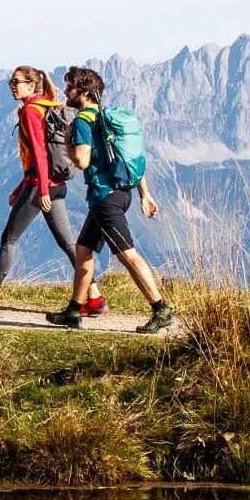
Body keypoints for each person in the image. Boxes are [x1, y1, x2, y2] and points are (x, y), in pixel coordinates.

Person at [0, 65, 104, 313]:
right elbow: (42, 154)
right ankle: (94, 298)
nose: (13, 86)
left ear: (31, 85)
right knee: (69, 244)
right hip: (56, 184)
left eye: (17, 82)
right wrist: (21, 187)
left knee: (9, 239)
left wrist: (42, 190)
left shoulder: (29, 112)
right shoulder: (46, 104)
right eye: (11, 82)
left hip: (42, 187)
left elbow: (39, 153)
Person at [47, 66, 174, 335]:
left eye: (69, 86)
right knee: (83, 249)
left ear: (83, 91)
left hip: (105, 199)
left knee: (127, 255)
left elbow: (81, 161)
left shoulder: (82, 121)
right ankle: (73, 311)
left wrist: (68, 140)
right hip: (119, 193)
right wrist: (144, 194)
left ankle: (160, 309)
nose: (65, 91)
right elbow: (128, 158)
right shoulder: (104, 119)